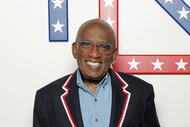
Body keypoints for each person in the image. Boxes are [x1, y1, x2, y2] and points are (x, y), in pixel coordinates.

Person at [33, 19, 160, 127]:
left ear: (114, 55)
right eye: (86, 44)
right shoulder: (47, 98)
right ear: (74, 50)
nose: (94, 54)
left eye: (104, 46)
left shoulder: (141, 93)